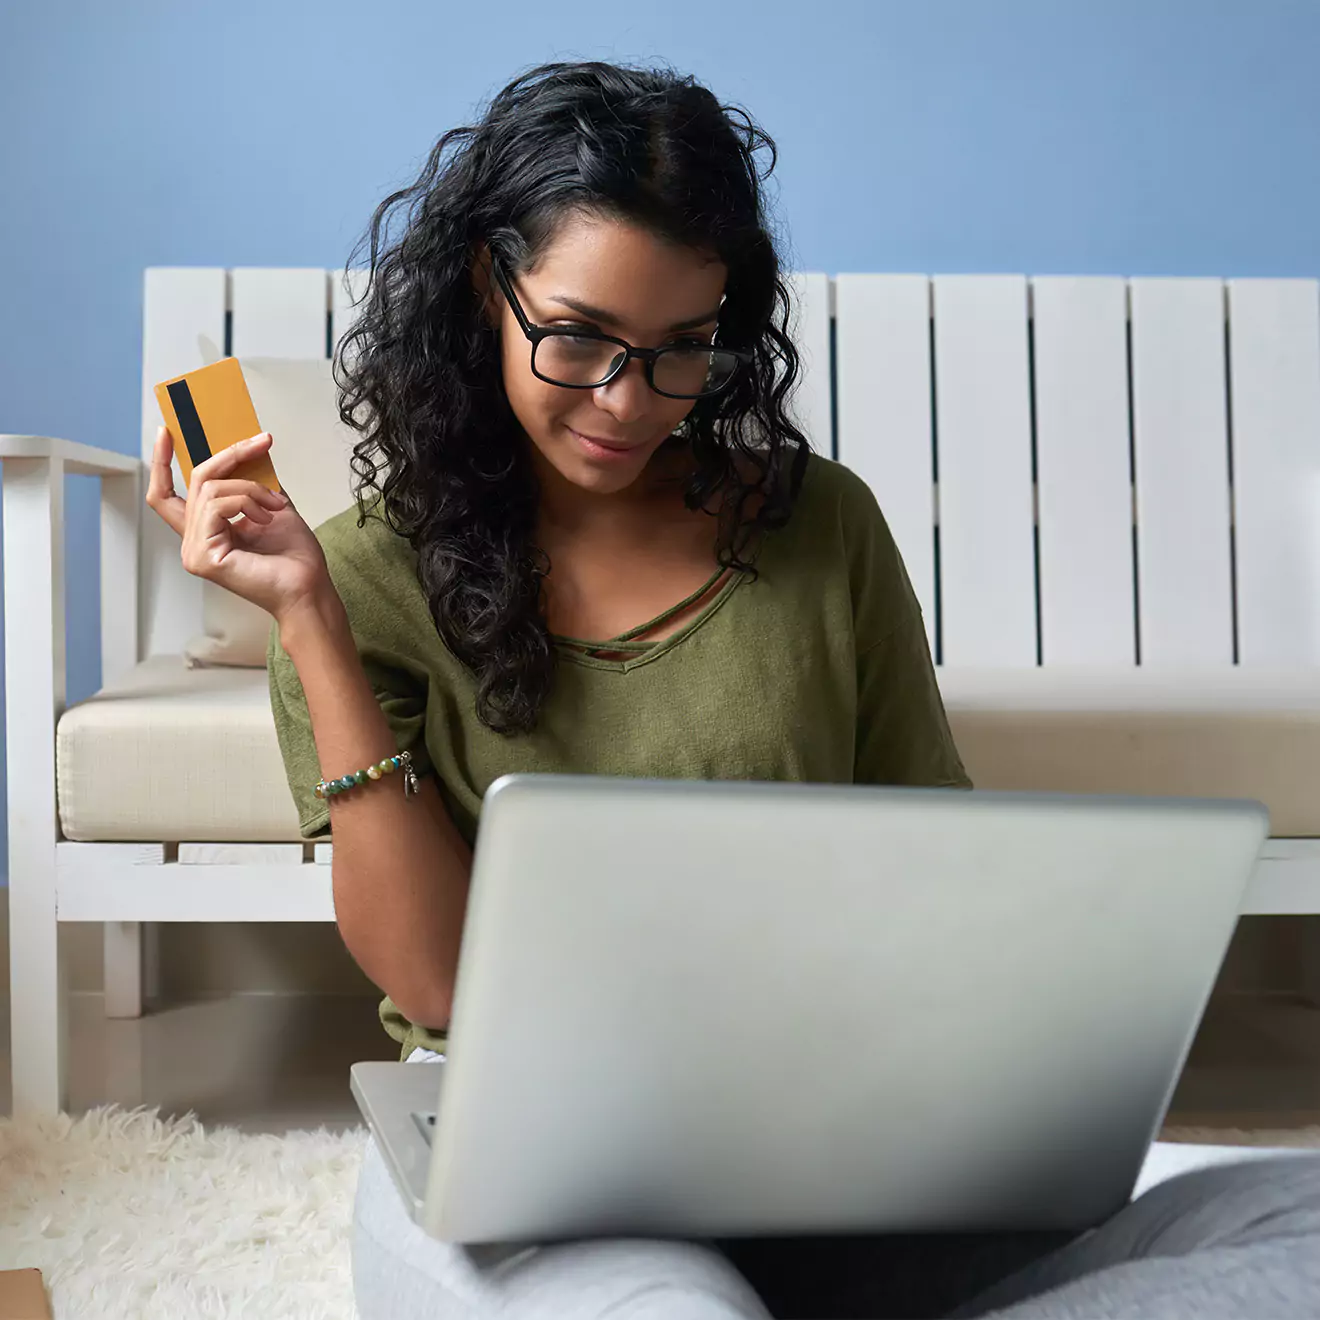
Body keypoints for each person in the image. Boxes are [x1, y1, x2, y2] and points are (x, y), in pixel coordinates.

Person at [147, 59, 1320, 1320]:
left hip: (832, 1150)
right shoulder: (363, 579)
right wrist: (309, 621)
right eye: (580, 336)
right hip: (525, 1177)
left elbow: (938, 860)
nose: (625, 401)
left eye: (680, 351)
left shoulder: (824, 526)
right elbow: (435, 986)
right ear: (492, 284)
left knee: (1296, 1223)